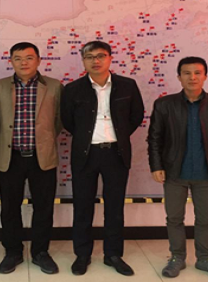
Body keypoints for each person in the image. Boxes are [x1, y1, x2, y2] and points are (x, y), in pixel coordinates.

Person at [147, 56, 208, 279]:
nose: (192, 77)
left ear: (205, 76)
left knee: (205, 219)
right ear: (179, 77)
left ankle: (204, 258)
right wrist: (156, 166)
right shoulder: (164, 105)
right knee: (174, 219)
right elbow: (155, 138)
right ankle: (177, 257)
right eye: (187, 73)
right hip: (174, 172)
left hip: (207, 172)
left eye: (198, 73)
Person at [61, 41, 144, 276]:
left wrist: (118, 135)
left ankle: (113, 254)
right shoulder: (73, 89)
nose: (95, 61)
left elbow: (136, 116)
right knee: (82, 206)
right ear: (83, 61)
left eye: (100, 56)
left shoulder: (127, 85)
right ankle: (82, 254)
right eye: (89, 57)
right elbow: (68, 121)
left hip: (116, 153)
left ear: (110, 58)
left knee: (115, 207)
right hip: (85, 154)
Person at [0, 42, 63, 275]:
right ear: (11, 61)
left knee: (44, 207)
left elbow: (59, 121)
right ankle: (13, 252)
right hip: (10, 157)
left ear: (39, 60)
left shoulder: (54, 86)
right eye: (18, 58)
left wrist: (43, 140)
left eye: (29, 58)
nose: (24, 62)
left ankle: (40, 252)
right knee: (10, 208)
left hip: (42, 157)